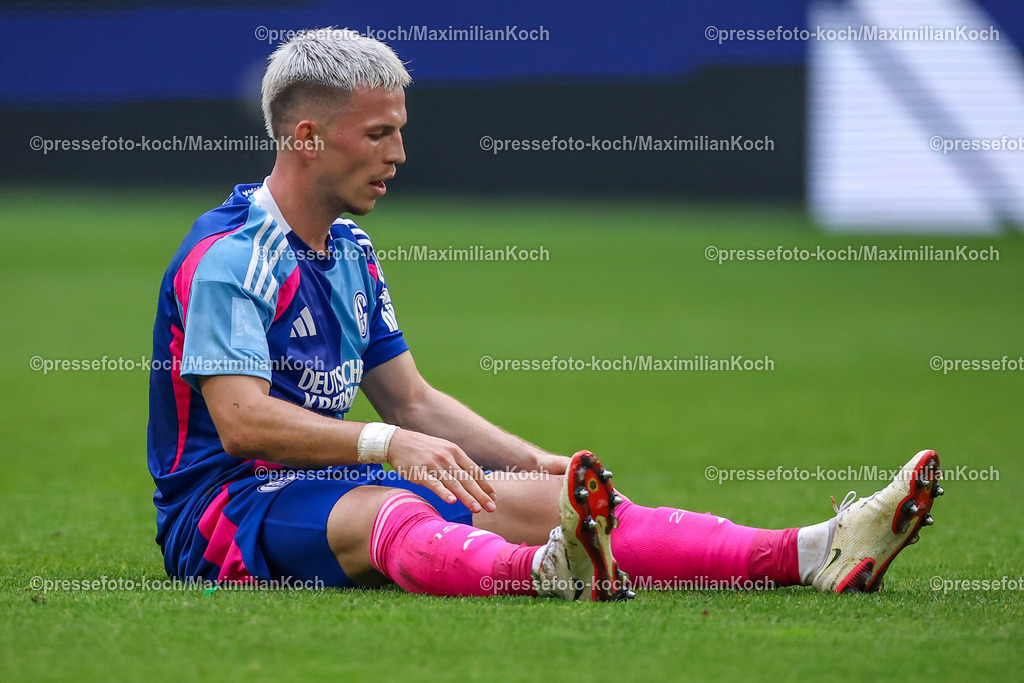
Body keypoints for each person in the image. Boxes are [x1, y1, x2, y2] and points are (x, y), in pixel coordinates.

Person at [147, 29, 943, 600]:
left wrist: (535, 461)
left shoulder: (349, 248)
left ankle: (812, 550)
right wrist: (386, 445)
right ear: (309, 138)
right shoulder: (231, 256)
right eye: (379, 134)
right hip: (224, 510)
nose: (399, 154)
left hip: (325, 480)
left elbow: (411, 400)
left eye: (401, 132)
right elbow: (243, 422)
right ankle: (538, 572)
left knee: (536, 500)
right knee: (390, 506)